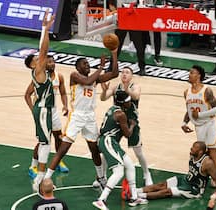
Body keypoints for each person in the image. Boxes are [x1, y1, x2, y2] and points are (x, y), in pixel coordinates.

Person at [44, 49, 119, 188]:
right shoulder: (74, 76)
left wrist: (114, 53)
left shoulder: (94, 78)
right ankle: (46, 178)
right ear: (78, 67)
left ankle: (101, 178)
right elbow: (88, 80)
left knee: (94, 149)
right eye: (84, 64)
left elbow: (114, 74)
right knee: (63, 148)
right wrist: (101, 67)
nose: (87, 66)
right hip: (77, 116)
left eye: (88, 64)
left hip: (90, 117)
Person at [92, 91, 148, 210]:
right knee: (119, 172)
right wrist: (132, 125)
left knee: (130, 166)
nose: (130, 102)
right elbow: (127, 134)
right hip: (108, 141)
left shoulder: (113, 109)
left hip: (108, 141)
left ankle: (134, 197)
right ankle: (101, 200)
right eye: (128, 101)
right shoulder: (121, 115)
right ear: (123, 103)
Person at [100, 66, 153, 186]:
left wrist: (126, 89)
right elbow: (103, 98)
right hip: (118, 122)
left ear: (131, 76)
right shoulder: (115, 87)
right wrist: (104, 90)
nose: (124, 74)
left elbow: (136, 96)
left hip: (131, 122)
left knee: (138, 152)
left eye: (127, 72)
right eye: (122, 72)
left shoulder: (135, 86)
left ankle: (146, 174)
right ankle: (101, 177)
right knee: (107, 151)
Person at [181, 65, 216, 199]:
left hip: (210, 124)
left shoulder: (206, 90)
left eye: (192, 72)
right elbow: (190, 110)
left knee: (212, 154)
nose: (189, 74)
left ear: (199, 75)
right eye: (189, 72)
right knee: (202, 154)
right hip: (199, 126)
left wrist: (200, 115)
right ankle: (206, 177)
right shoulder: (186, 92)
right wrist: (184, 123)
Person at [24, 10, 55, 191]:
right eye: (36, 59)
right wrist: (45, 29)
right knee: (45, 144)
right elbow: (44, 50)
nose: (40, 58)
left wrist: (44, 30)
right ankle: (39, 180)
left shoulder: (36, 74)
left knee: (45, 143)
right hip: (43, 110)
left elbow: (27, 94)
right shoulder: (38, 71)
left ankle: (40, 177)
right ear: (33, 64)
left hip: (42, 109)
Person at [136, 141, 216, 203]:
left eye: (194, 148)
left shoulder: (208, 163)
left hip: (194, 189)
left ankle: (139, 196)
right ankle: (135, 191)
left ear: (200, 152)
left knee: (166, 192)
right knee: (161, 185)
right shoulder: (193, 154)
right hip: (186, 179)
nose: (191, 148)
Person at [25, 55, 69, 179]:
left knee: (58, 137)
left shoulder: (59, 77)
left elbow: (63, 93)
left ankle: (58, 161)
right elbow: (27, 95)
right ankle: (33, 166)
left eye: (52, 61)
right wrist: (33, 110)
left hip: (53, 111)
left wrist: (65, 105)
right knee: (43, 141)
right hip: (44, 111)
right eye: (48, 62)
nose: (51, 64)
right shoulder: (41, 77)